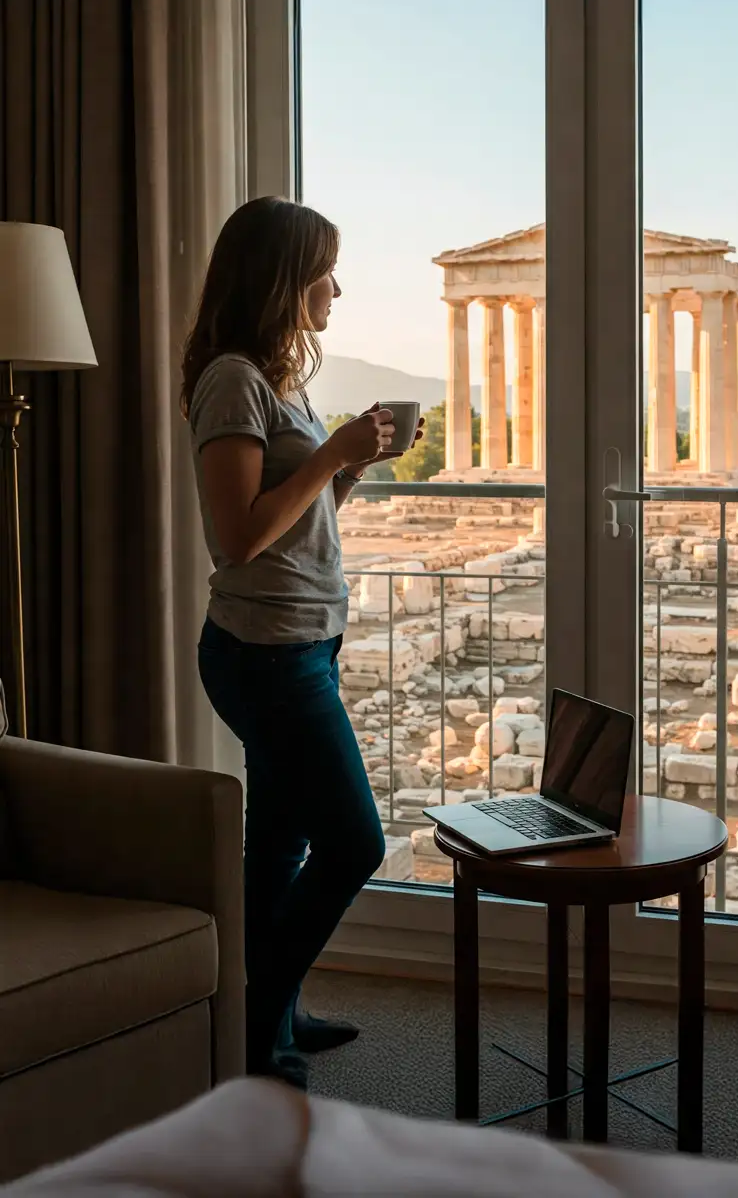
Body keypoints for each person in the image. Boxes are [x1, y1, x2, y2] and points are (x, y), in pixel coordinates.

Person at [180, 196, 422, 1090]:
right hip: (263, 655)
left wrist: (346, 467)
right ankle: (251, 1022)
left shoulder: (282, 381)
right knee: (354, 843)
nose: (338, 287)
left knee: (279, 844)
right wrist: (329, 458)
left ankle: (276, 1013)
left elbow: (297, 522)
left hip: (301, 646)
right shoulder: (234, 380)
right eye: (325, 268)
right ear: (284, 276)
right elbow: (237, 537)